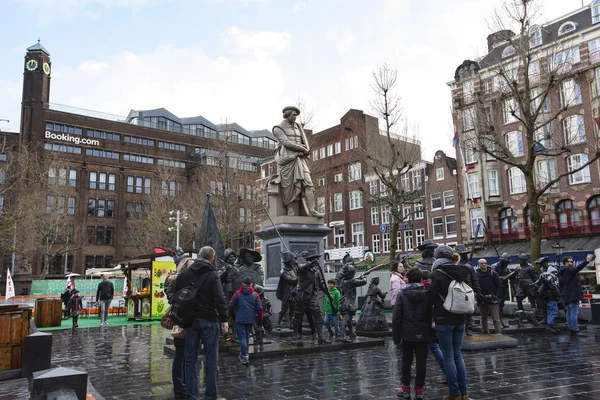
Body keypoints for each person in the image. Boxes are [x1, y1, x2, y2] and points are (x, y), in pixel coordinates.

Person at [174, 246, 228, 400]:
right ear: (212, 259)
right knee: (211, 359)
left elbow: (176, 298)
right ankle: (211, 396)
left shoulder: (183, 274)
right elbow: (219, 298)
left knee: (190, 360)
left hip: (190, 321)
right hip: (209, 320)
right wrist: (224, 319)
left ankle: (192, 395)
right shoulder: (212, 275)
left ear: (198, 256)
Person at [426, 245, 470, 400]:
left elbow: (430, 298)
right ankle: (464, 393)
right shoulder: (463, 271)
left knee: (448, 356)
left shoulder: (437, 274)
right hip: (460, 317)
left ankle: (454, 393)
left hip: (444, 319)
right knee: (458, 355)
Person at [271, 105, 323, 218]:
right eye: (294, 115)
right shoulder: (278, 128)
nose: (295, 117)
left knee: (309, 183)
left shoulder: (298, 126)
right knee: (288, 186)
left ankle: (312, 210)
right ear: (287, 115)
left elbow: (304, 141)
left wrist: (306, 151)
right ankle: (290, 209)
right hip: (287, 160)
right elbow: (285, 142)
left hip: (300, 158)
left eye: (296, 115)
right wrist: (301, 148)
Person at [393, 268, 431, 400]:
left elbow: (396, 317)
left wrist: (396, 336)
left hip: (407, 333)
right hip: (423, 332)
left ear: (407, 279)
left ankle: (406, 388)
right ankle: (419, 389)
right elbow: (430, 315)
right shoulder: (426, 294)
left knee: (406, 361)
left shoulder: (402, 295)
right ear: (421, 280)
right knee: (421, 362)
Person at [165, 255, 195, 398]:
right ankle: (179, 384)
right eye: (190, 265)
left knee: (186, 353)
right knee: (180, 352)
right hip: (181, 318)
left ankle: (184, 383)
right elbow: (171, 295)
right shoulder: (177, 280)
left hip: (192, 319)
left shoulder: (194, 279)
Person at [290, 250, 331, 345]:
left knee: (318, 316)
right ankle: (295, 335)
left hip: (312, 297)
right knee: (297, 317)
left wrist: (328, 294)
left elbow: (321, 284)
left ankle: (320, 337)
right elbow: (299, 271)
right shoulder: (303, 269)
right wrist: (309, 264)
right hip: (301, 296)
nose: (317, 261)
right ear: (311, 261)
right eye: (315, 259)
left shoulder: (316, 271)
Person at [228, 277, 263, 365]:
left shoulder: (237, 293)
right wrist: (260, 319)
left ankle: (245, 355)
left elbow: (231, 305)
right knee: (246, 337)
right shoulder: (255, 294)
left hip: (239, 319)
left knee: (242, 338)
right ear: (251, 285)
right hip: (250, 319)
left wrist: (232, 315)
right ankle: (244, 353)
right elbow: (259, 308)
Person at [559, 254, 594, 338]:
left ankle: (571, 329)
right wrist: (587, 261)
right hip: (573, 294)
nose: (573, 263)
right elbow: (578, 268)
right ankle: (575, 329)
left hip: (566, 295)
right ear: (566, 263)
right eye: (571, 261)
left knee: (569, 313)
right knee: (574, 313)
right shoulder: (568, 270)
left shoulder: (561, 271)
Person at [337, 255, 367, 343]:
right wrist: (363, 276)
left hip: (344, 302)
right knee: (346, 319)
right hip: (349, 302)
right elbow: (364, 282)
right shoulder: (352, 281)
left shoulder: (343, 281)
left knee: (348, 318)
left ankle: (351, 333)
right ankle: (342, 335)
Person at [455, 244, 482, 336]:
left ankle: (466, 329)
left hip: (468, 291)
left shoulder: (468, 266)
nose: (465, 256)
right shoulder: (455, 266)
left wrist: (478, 291)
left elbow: (474, 280)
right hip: (459, 291)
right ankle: (463, 330)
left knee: (468, 312)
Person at [476, 259, 503, 335]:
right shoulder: (476, 275)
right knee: (483, 318)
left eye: (485, 263)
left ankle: (498, 333)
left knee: (495, 318)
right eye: (482, 263)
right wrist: (479, 295)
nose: (484, 265)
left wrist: (496, 296)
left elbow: (499, 286)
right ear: (478, 265)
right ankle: (485, 332)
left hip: (492, 299)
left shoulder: (493, 273)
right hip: (482, 299)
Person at [535, 266, 561, 334]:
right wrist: (558, 294)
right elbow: (554, 287)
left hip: (545, 297)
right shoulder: (553, 277)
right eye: (555, 272)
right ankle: (550, 326)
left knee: (549, 311)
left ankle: (551, 326)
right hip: (552, 297)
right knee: (553, 311)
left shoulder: (544, 276)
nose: (556, 273)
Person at [276, 251, 299, 329]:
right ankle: (278, 323)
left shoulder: (294, 270)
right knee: (284, 310)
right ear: (287, 263)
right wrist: (300, 276)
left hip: (293, 294)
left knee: (292, 310)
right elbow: (292, 281)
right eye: (290, 262)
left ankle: (291, 324)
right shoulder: (284, 273)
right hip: (286, 295)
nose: (292, 263)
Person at [491, 252, 512, 326]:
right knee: (497, 305)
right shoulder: (494, 266)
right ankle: (498, 321)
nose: (507, 264)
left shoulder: (506, 268)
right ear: (502, 261)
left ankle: (498, 320)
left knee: (501, 305)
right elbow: (491, 277)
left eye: (508, 262)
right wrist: (499, 278)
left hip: (503, 288)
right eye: (506, 262)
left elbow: (511, 277)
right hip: (496, 289)